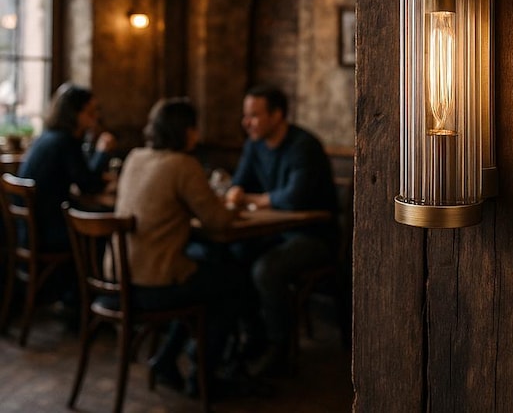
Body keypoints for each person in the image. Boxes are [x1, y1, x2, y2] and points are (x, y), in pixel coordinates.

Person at [113, 97, 249, 399]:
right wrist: (232, 205)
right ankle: (204, 377)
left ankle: (165, 359)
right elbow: (216, 222)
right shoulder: (183, 164)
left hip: (119, 280)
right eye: (194, 128)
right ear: (184, 131)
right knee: (232, 285)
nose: (197, 135)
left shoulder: (136, 156)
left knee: (207, 274)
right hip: (153, 285)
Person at [225, 85, 338, 376]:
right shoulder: (254, 144)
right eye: (245, 116)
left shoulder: (304, 146)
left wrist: (250, 198)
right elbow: (238, 182)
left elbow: (294, 198)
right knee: (234, 255)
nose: (246, 122)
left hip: (315, 236)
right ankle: (254, 336)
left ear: (277, 115)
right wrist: (236, 190)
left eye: (254, 115)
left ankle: (279, 350)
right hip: (275, 233)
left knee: (267, 270)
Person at [19, 82, 116, 254]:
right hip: (48, 233)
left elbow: (82, 178)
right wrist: (102, 152)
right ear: (75, 114)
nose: (96, 117)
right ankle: (87, 281)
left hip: (28, 231)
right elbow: (88, 186)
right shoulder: (65, 141)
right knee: (107, 234)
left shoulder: (47, 136)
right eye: (90, 112)